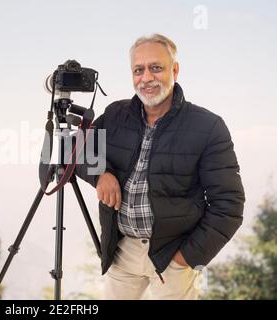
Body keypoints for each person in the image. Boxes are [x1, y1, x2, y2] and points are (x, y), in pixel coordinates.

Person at [75, 33, 245, 299]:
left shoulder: (208, 126)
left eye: (156, 68)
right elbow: (71, 147)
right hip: (122, 251)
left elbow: (229, 205)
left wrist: (186, 258)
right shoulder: (116, 114)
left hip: (174, 256)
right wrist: (100, 174)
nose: (146, 78)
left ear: (174, 70)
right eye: (138, 70)